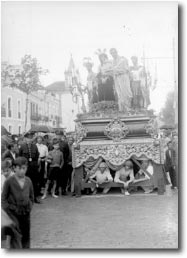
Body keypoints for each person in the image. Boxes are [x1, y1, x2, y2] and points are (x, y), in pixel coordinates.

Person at [1, 157, 34, 248]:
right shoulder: (9, 182)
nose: (22, 171)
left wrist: (29, 207)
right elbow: (3, 199)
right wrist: (10, 210)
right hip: (13, 215)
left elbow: (31, 197)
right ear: (14, 168)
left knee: (26, 236)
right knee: (15, 237)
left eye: (24, 168)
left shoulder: (28, 181)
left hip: (25, 214)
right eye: (19, 168)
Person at [19, 133, 41, 203]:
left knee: (34, 182)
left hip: (33, 167)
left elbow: (37, 156)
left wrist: (35, 165)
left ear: (32, 139)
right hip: (25, 168)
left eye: (31, 138)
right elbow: (19, 157)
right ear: (25, 139)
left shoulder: (35, 146)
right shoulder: (22, 147)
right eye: (28, 138)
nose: (29, 139)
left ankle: (35, 197)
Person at [55, 131, 69, 195]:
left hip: (63, 163)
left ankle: (63, 189)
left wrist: (64, 160)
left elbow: (67, 153)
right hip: (55, 163)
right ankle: (56, 190)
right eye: (57, 135)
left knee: (64, 177)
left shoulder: (65, 144)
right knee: (56, 177)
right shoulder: (53, 143)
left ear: (62, 136)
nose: (58, 136)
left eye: (60, 135)